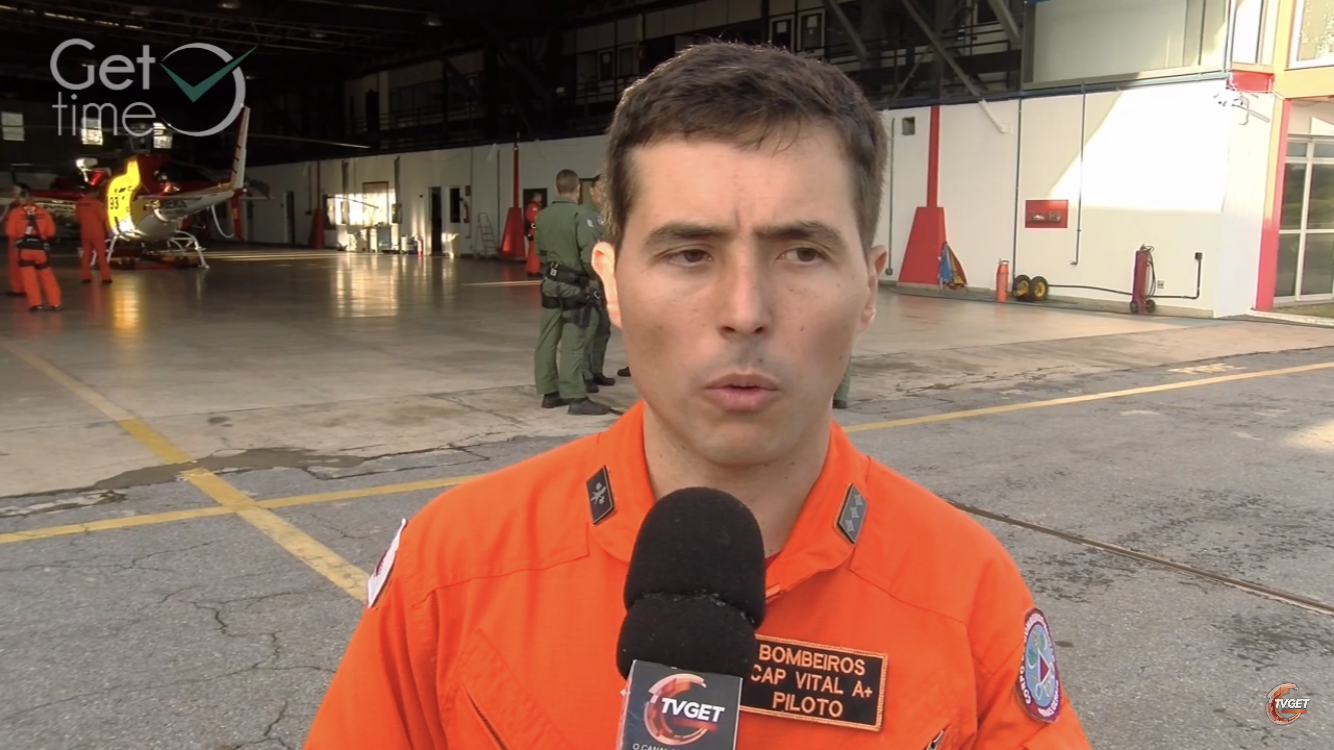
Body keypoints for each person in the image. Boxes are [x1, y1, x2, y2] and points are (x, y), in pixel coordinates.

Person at [306, 42, 1090, 749]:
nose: (744, 311)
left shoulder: (968, 596)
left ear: (868, 288)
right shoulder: (452, 569)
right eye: (688, 253)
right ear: (613, 283)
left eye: (802, 253)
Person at [531, 169, 611, 416]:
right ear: (577, 189)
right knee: (574, 341)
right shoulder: (579, 215)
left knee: (547, 338)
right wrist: (594, 278)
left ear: (556, 188)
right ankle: (576, 396)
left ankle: (549, 392)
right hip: (575, 286)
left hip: (550, 282)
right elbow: (588, 254)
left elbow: (539, 251)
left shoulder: (543, 216)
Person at [5, 186, 61, 312]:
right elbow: (51, 232)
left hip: (24, 250)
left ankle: (35, 303)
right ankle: (55, 303)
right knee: (47, 276)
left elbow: (10, 232)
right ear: (32, 198)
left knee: (29, 278)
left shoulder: (15, 213)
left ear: (21, 199)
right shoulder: (44, 213)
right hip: (40, 249)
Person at [582, 174, 616, 390]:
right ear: (591, 191)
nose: (603, 193)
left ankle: (596, 370)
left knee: (604, 327)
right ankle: (584, 373)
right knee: (589, 328)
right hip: (592, 280)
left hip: (607, 280)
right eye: (600, 189)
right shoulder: (584, 214)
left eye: (606, 189)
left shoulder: (609, 216)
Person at [74, 187, 111, 284]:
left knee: (86, 255)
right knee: (101, 255)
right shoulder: (96, 203)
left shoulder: (79, 203)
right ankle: (105, 278)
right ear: (94, 192)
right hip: (97, 233)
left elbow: (77, 218)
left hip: (85, 232)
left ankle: (86, 277)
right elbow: (103, 217)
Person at [4, 191, 25, 297]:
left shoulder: (16, 209)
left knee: (17, 265)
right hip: (24, 239)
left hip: (16, 239)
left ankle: (19, 288)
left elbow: (10, 228)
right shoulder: (32, 208)